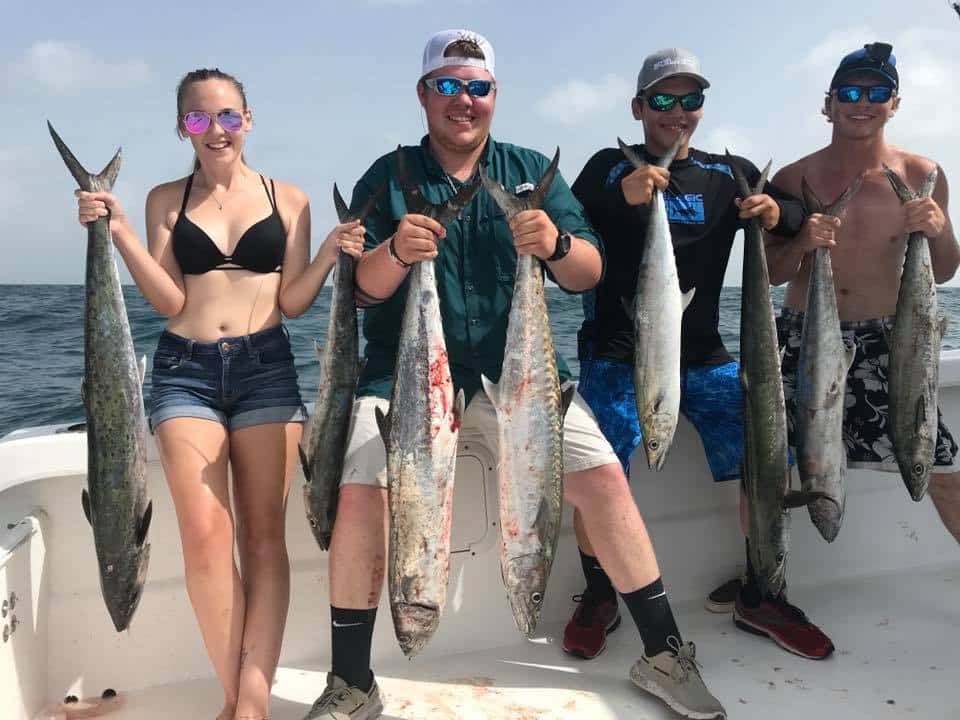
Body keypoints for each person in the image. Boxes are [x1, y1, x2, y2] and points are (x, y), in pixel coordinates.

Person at [303, 29, 726, 720]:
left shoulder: (531, 169)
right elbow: (359, 293)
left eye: (478, 87)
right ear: (423, 94)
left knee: (603, 478)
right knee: (357, 493)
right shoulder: (387, 175)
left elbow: (588, 270)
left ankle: (663, 653)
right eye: (448, 85)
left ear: (494, 96)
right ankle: (352, 681)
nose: (463, 100)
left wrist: (555, 242)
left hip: (524, 378)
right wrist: (394, 250)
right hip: (408, 381)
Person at [75, 68, 364, 720]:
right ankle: (238, 699)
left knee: (264, 539)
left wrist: (326, 254)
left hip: (267, 367)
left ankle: (251, 700)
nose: (215, 130)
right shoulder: (161, 200)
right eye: (200, 119)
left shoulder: (289, 199)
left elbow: (291, 299)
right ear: (184, 127)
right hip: (185, 371)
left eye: (228, 116)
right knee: (206, 535)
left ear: (248, 120)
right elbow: (170, 298)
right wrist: (116, 230)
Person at [567, 48, 836, 662]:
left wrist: (776, 211)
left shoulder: (727, 173)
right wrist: (623, 197)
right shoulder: (609, 166)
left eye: (690, 100)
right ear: (638, 108)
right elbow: (572, 224)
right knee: (596, 471)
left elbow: (798, 214)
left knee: (768, 457)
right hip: (618, 354)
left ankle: (762, 589)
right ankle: (599, 591)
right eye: (662, 100)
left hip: (706, 354)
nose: (677, 112)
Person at [766, 43, 960, 551]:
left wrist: (938, 230)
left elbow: (941, 272)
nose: (863, 102)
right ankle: (765, 578)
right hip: (805, 337)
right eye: (850, 91)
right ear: (827, 103)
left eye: (879, 93)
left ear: (895, 104)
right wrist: (803, 243)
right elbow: (771, 272)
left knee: (935, 461)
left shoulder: (923, 175)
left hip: (890, 342)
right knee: (776, 462)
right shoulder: (791, 179)